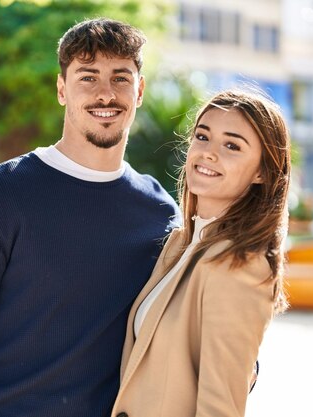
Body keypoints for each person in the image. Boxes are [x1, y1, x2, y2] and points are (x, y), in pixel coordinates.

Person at [0, 18, 179, 417]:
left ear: (140, 91)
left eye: (120, 78)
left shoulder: (161, 212)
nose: (105, 94)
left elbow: (188, 319)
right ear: (62, 89)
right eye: (87, 77)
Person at [111, 89, 291, 417]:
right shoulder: (180, 243)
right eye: (203, 136)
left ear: (262, 172)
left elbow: (220, 406)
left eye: (232, 145)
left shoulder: (239, 266)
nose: (208, 152)